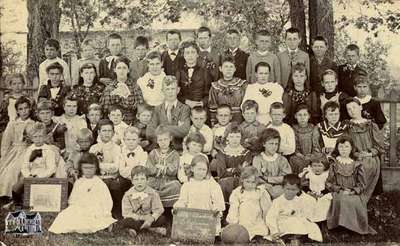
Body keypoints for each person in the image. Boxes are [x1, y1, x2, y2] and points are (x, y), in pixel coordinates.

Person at [49, 153, 116, 233]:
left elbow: (106, 200)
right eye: (85, 168)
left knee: (92, 219)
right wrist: (74, 207)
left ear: (96, 168)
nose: (88, 170)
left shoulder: (99, 183)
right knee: (64, 217)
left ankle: (103, 224)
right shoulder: (79, 182)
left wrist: (106, 212)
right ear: (81, 168)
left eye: (91, 168)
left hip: (95, 208)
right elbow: (73, 198)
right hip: (80, 207)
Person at [326, 136, 376, 234]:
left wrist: (353, 191)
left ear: (352, 148)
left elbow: (362, 184)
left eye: (346, 147)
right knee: (341, 199)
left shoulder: (357, 164)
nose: (344, 150)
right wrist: (339, 189)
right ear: (337, 148)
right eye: (341, 147)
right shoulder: (334, 163)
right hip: (338, 190)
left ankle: (352, 228)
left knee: (354, 201)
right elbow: (329, 182)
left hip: (353, 192)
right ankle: (340, 227)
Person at [174, 154, 225, 236]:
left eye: (204, 170)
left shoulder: (212, 184)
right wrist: (177, 208)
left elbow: (218, 201)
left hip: (207, 215)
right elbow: (182, 201)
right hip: (192, 215)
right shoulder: (187, 185)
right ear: (192, 169)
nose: (201, 172)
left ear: (207, 170)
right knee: (187, 230)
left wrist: (216, 210)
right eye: (199, 169)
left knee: (208, 231)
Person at [344, 97, 384, 201]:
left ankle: (363, 200)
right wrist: (356, 154)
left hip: (370, 157)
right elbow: (345, 145)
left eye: (354, 107)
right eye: (349, 109)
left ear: (361, 107)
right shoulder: (347, 126)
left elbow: (379, 146)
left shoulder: (371, 125)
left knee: (367, 165)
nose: (352, 111)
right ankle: (356, 201)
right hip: (355, 157)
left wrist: (370, 154)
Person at [112, 165, 168, 237]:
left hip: (148, 218)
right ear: (132, 181)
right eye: (136, 179)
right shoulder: (127, 195)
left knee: (162, 219)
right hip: (135, 219)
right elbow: (127, 213)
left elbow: (158, 209)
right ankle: (151, 229)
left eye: (142, 179)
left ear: (147, 180)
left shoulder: (153, 193)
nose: (139, 182)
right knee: (126, 221)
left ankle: (136, 229)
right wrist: (140, 218)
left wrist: (151, 219)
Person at [266, 174, 322, 242]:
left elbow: (303, 213)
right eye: (288, 189)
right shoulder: (278, 201)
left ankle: (302, 237)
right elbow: (271, 217)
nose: (290, 192)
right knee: (291, 224)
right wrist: (274, 231)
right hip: (283, 222)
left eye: (293, 190)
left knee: (312, 226)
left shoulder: (299, 200)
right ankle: (294, 237)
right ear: (283, 188)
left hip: (297, 220)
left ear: (298, 190)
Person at [12, 122, 58, 207]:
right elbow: (24, 166)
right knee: (16, 187)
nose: (38, 139)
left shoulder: (49, 150)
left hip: (44, 176)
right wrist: (28, 175)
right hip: (30, 175)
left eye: (40, 136)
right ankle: (17, 203)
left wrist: (40, 176)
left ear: (44, 137)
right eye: (35, 137)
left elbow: (52, 168)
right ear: (31, 138)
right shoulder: (29, 149)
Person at [0, 97, 35, 198]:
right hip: (14, 151)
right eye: (21, 109)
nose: (24, 111)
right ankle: (7, 194)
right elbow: (6, 142)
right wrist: (4, 156)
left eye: (26, 108)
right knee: (9, 171)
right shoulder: (13, 124)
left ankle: (18, 194)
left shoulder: (33, 124)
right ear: (17, 111)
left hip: (28, 151)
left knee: (22, 170)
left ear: (30, 109)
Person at [89, 119, 124, 219]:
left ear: (113, 133)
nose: (107, 134)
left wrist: (101, 166)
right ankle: (98, 211)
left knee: (114, 186)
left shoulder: (117, 148)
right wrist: (105, 166)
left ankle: (116, 211)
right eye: (104, 131)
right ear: (99, 132)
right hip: (97, 178)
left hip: (112, 177)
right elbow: (92, 167)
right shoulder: (94, 148)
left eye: (109, 131)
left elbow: (116, 166)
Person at [146, 76, 191, 152]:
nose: (170, 92)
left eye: (173, 89)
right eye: (167, 89)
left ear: (178, 90)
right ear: (163, 91)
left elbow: (184, 130)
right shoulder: (157, 109)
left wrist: (162, 128)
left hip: (178, 149)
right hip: (159, 149)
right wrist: (176, 128)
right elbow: (149, 132)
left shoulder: (184, 109)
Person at [226, 166, 271, 241]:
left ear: (256, 182)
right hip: (243, 220)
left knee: (262, 230)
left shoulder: (260, 192)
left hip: (257, 220)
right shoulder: (237, 192)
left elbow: (266, 208)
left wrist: (267, 223)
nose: (250, 185)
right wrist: (233, 222)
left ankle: (256, 236)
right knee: (240, 232)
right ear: (242, 180)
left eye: (253, 182)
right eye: (247, 182)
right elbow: (234, 208)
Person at [211, 124, 252, 202]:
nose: (234, 140)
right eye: (232, 136)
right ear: (227, 137)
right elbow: (222, 173)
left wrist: (230, 170)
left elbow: (245, 172)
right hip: (225, 182)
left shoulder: (246, 153)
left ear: (241, 138)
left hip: (241, 181)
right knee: (225, 183)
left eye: (237, 137)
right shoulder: (222, 153)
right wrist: (237, 169)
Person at [100, 57, 144, 125]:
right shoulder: (109, 88)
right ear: (115, 70)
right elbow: (105, 110)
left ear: (128, 70)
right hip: (114, 124)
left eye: (124, 68)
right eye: (119, 68)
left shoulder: (135, 87)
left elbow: (140, 108)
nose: (121, 71)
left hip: (131, 123)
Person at [146, 125, 181, 208]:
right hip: (155, 180)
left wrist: (162, 167)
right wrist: (160, 168)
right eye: (160, 140)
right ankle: (154, 205)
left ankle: (168, 208)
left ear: (170, 139)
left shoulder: (174, 154)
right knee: (146, 185)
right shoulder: (153, 153)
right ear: (157, 140)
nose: (163, 142)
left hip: (168, 182)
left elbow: (173, 170)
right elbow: (149, 168)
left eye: (165, 139)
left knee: (176, 185)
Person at [253, 128, 292, 199]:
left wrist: (269, 179)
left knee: (281, 192)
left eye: (276, 144)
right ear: (264, 144)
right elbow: (257, 177)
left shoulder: (282, 159)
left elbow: (286, 177)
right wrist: (266, 184)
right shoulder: (258, 159)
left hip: (279, 187)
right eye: (271, 143)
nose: (274, 147)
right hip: (264, 186)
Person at [209, 56, 248, 124]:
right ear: (220, 69)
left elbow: (246, 105)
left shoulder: (242, 84)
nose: (228, 69)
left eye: (231, 67)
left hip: (239, 119)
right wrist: (214, 123)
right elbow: (213, 106)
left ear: (235, 69)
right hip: (222, 120)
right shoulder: (215, 86)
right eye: (226, 67)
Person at [176, 41, 212, 108]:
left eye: (193, 52)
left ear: (197, 54)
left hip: (200, 109)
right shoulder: (179, 72)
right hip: (183, 107)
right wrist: (187, 102)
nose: (190, 55)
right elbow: (176, 93)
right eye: (187, 53)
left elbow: (209, 93)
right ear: (183, 55)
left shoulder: (205, 72)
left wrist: (202, 102)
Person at [289, 104, 321, 175]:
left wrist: (311, 156)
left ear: (309, 116)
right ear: (295, 116)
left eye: (305, 115)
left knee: (319, 160)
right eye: (299, 115)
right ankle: (299, 181)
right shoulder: (292, 129)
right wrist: (300, 155)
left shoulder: (313, 128)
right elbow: (294, 146)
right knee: (295, 160)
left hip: (312, 155)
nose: (302, 118)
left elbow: (316, 145)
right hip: (298, 155)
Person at [298, 154, 332, 222]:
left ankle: (321, 221)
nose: (317, 168)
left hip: (323, 194)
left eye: (320, 166)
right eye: (314, 166)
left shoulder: (326, 175)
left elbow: (329, 186)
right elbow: (303, 184)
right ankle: (309, 220)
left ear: (324, 167)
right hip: (311, 192)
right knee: (307, 200)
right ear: (311, 166)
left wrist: (323, 193)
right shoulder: (309, 174)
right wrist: (309, 192)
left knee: (324, 202)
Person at [119, 126, 148, 192]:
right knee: (117, 185)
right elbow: (121, 170)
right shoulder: (121, 152)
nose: (131, 142)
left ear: (138, 140)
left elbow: (140, 170)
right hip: (125, 178)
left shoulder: (143, 153)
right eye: (128, 139)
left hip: (138, 178)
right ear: (124, 140)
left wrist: (128, 168)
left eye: (134, 139)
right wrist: (133, 169)